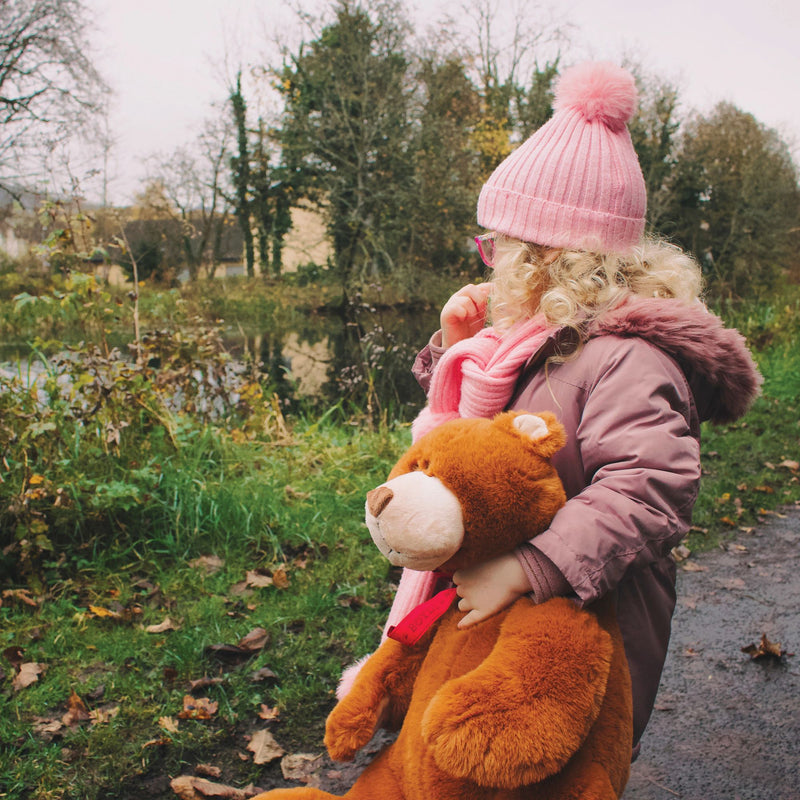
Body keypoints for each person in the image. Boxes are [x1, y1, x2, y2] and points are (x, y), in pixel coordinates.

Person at [378, 60, 762, 756]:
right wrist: (457, 351)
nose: (489, 260)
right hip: (508, 624)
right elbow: (485, 454)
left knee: (551, 771)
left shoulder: (627, 359)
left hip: (582, 629)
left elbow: (648, 491)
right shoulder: (537, 343)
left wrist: (529, 567)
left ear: (547, 257)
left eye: (499, 245)